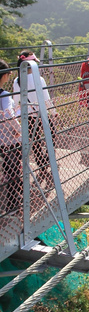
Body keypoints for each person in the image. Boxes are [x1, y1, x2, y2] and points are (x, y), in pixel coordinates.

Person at [13, 50, 57, 188]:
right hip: (41, 114)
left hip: (28, 116)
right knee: (52, 135)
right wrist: (53, 112)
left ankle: (41, 164)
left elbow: (16, 102)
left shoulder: (17, 80)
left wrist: (17, 116)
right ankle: (48, 159)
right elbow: (46, 98)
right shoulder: (39, 79)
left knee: (35, 141)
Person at [0, 60, 22, 213]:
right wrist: (19, 130)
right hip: (8, 139)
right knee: (14, 171)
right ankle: (13, 205)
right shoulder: (4, 95)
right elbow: (9, 114)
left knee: (7, 170)